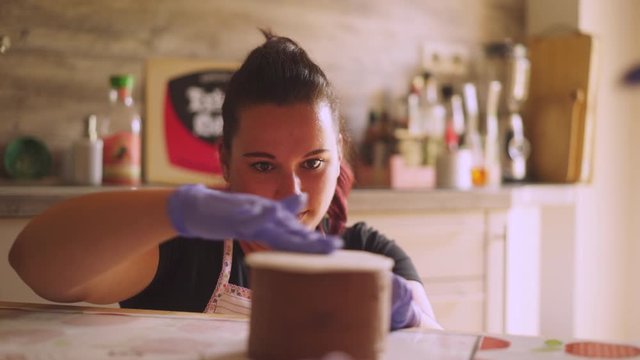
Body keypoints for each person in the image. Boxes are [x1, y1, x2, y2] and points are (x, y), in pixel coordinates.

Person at [9, 31, 441, 331]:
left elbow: (435, 342)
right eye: (263, 165)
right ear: (225, 161)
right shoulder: (181, 248)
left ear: (340, 154)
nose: (291, 194)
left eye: (312, 164)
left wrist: (413, 321)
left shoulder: (367, 254)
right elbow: (36, 266)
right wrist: (177, 208)